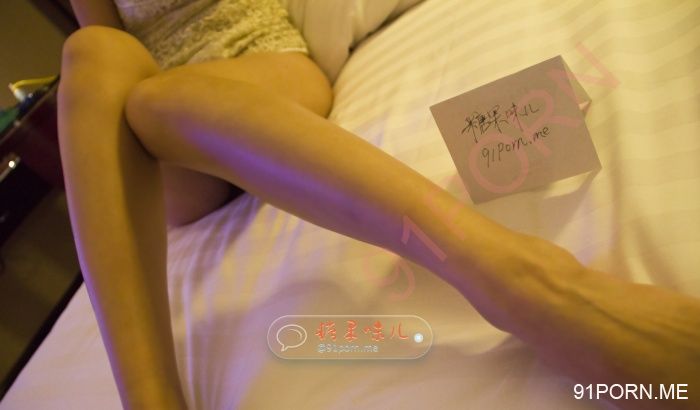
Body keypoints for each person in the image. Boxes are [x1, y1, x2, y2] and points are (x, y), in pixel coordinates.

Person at [59, 0, 700, 409]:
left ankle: (524, 280)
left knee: (161, 101)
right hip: (158, 144)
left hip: (262, 67)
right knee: (94, 54)